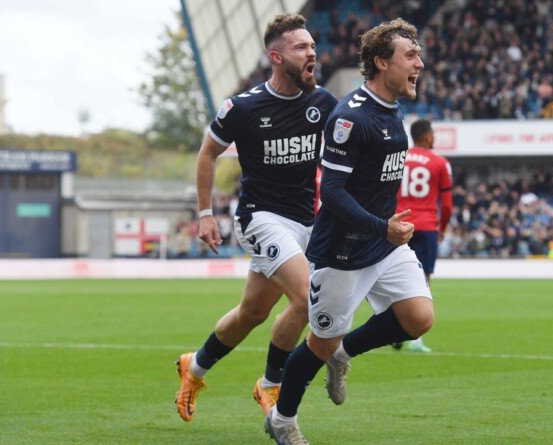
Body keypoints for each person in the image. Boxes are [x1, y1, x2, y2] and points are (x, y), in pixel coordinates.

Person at [265, 19, 432, 444]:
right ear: (381, 62)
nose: (419, 63)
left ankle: (344, 352)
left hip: (383, 241)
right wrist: (383, 226)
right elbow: (333, 192)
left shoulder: (393, 109)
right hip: (342, 249)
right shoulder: (351, 117)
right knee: (318, 343)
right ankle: (282, 420)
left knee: (418, 317)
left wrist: (385, 230)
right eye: (410, 56)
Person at [174, 13, 337, 422]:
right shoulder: (243, 107)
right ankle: (270, 385)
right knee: (306, 298)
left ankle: (193, 367)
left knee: (253, 312)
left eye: (312, 46)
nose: (311, 53)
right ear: (276, 57)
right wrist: (207, 213)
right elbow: (208, 153)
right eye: (301, 47)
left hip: (304, 221)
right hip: (260, 217)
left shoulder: (324, 102)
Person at [392, 118, 452, 353]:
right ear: (426, 136)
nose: (434, 138)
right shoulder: (440, 163)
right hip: (426, 226)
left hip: (399, 224)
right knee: (423, 280)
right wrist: (442, 229)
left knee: (394, 277)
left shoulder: (399, 158)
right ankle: (415, 338)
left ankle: (392, 329)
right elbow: (446, 205)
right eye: (433, 133)